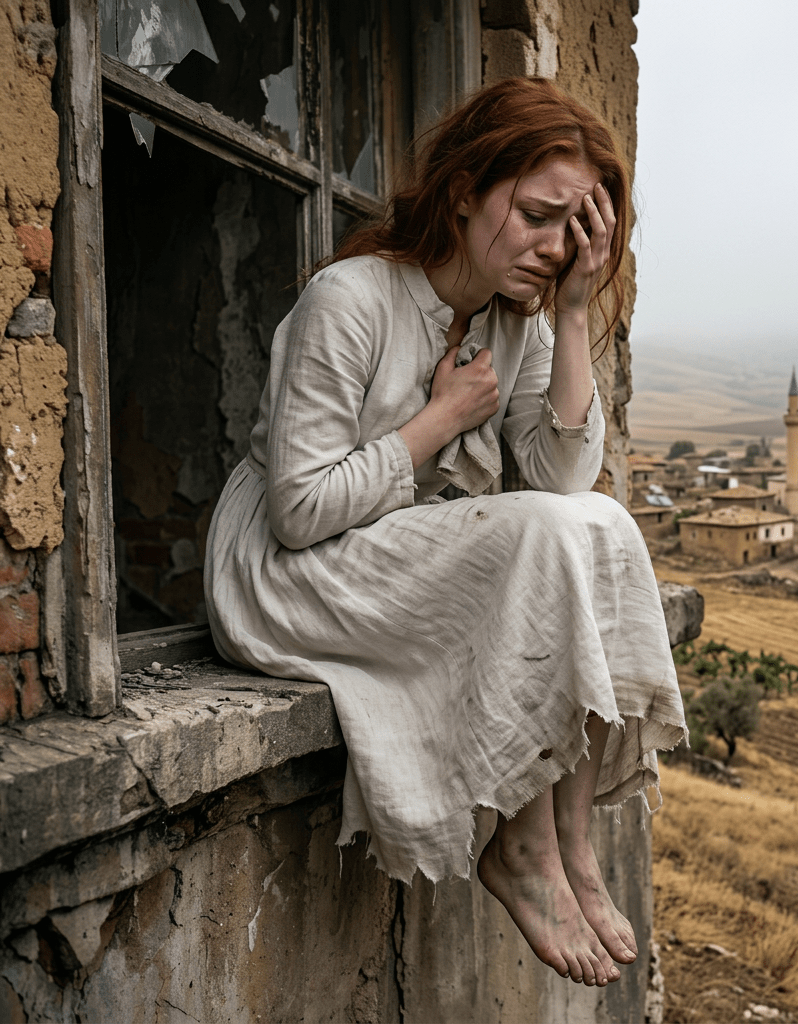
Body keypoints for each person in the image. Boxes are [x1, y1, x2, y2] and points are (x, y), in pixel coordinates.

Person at [204, 77, 687, 989]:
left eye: (575, 231)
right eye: (539, 215)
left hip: (388, 558)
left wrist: (576, 313)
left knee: (608, 526)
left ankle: (573, 841)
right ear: (466, 188)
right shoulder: (348, 299)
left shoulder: (521, 321)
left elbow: (562, 481)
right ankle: (520, 846)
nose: (553, 248)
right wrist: (439, 420)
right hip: (286, 573)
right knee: (547, 534)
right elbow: (296, 509)